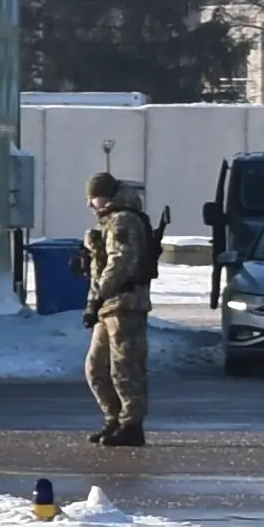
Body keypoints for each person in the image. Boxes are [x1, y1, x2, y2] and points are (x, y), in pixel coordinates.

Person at [81, 167, 162, 448]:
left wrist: (97, 295)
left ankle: (131, 425)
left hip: (124, 304)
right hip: (110, 305)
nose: (90, 204)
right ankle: (115, 418)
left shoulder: (123, 221)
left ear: (106, 197)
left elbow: (120, 263)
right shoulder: (111, 222)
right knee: (96, 367)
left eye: (94, 198)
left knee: (125, 367)